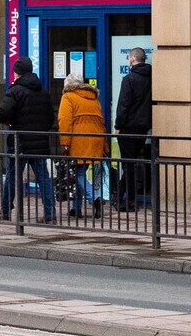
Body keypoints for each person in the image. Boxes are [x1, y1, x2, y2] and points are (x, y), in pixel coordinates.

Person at [0, 56, 56, 223]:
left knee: (12, 178)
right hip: (39, 143)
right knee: (44, 179)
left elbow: (1, 115)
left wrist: (10, 122)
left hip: (19, 142)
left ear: (16, 73)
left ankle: (5, 211)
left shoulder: (15, 91)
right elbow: (50, 119)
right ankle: (50, 213)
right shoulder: (43, 91)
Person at [56, 73, 109, 219]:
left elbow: (64, 121)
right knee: (79, 173)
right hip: (95, 140)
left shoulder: (68, 97)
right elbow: (101, 122)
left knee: (77, 174)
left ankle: (95, 199)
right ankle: (76, 208)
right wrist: (104, 145)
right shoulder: (93, 98)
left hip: (78, 141)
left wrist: (64, 143)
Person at [113, 46, 153, 212]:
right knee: (131, 161)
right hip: (143, 128)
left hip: (128, 128)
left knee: (128, 165)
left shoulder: (129, 79)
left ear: (132, 59)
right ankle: (120, 194)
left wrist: (118, 126)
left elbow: (123, 105)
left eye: (129, 58)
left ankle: (129, 200)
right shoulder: (151, 78)